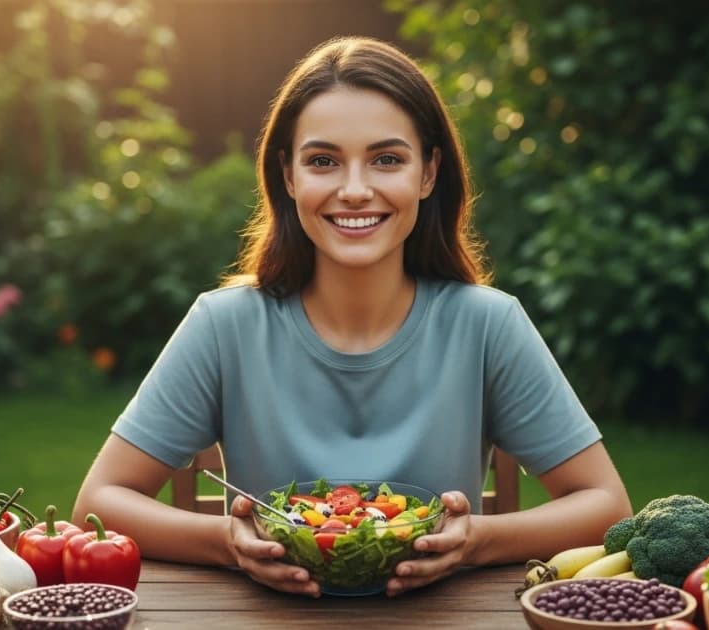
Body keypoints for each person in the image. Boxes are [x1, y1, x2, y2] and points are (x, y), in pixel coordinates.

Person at [72, 35, 632, 597]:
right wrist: (229, 543)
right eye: (323, 161)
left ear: (429, 173)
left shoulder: (487, 324)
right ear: (288, 176)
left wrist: (477, 541)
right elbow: (100, 502)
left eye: (387, 159)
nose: (356, 190)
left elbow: (606, 505)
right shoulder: (225, 326)